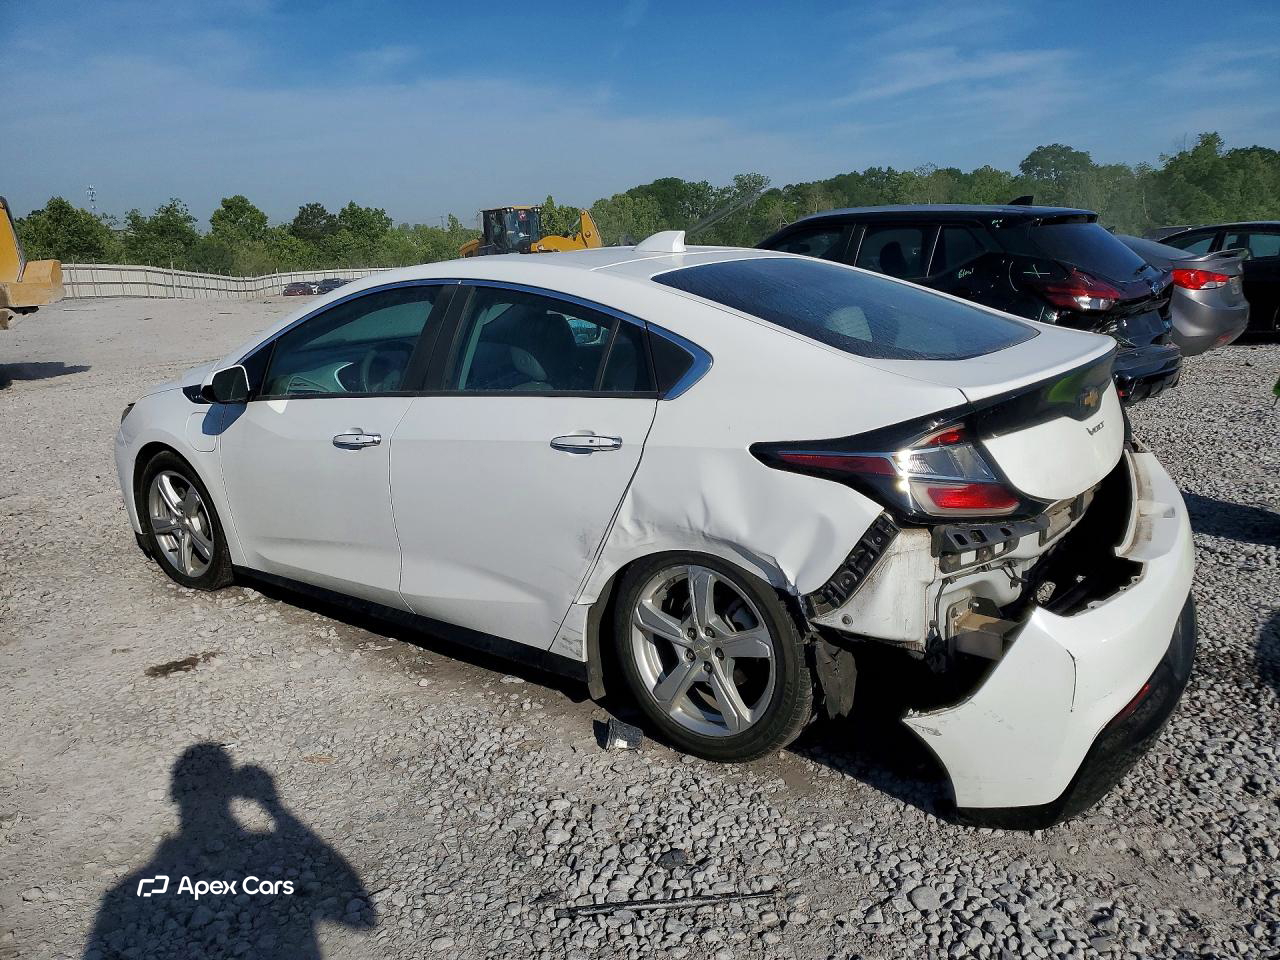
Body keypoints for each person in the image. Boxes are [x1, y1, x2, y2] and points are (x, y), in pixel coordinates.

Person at [83, 743, 375, 960]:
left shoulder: (124, 892)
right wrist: (274, 807)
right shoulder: (268, 846)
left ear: (175, 795)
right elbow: (361, 919)